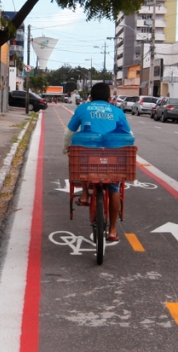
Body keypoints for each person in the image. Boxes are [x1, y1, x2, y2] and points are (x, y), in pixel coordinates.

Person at [62, 82, 133, 243]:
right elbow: (128, 134)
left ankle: (86, 195)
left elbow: (69, 132)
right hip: (112, 157)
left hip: (89, 156)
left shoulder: (82, 109)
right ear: (109, 99)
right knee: (114, 188)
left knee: (82, 160)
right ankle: (113, 230)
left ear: (90, 98)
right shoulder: (118, 111)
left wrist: (64, 149)